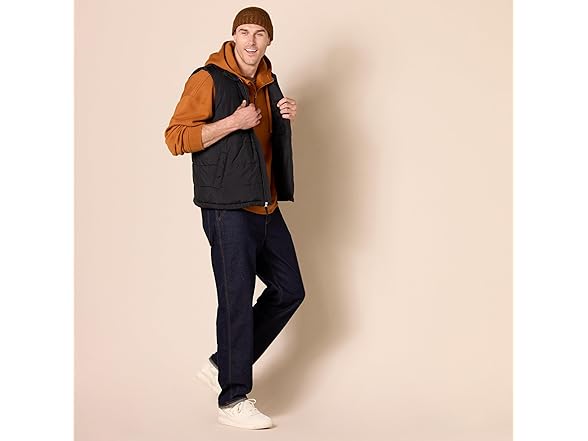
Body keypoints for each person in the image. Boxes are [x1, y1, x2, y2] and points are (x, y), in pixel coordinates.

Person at [164, 6, 305, 430]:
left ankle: (222, 364)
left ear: (269, 40)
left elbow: (263, 144)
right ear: (233, 36)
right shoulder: (207, 79)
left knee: (290, 290)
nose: (251, 41)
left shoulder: (268, 81)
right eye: (244, 32)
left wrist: (284, 116)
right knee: (236, 300)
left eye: (259, 33)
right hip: (227, 208)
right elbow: (175, 137)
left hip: (265, 205)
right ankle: (233, 399)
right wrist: (232, 122)